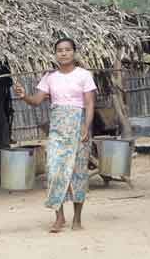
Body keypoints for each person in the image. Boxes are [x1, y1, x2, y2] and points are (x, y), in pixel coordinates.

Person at [15, 38, 97, 233]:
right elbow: (36, 101)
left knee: (78, 173)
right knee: (53, 170)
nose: (63, 53)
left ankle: (77, 219)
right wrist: (24, 95)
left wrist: (86, 125)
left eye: (68, 50)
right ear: (55, 54)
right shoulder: (49, 77)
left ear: (74, 53)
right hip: (58, 128)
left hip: (78, 126)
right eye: (59, 50)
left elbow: (90, 104)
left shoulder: (84, 75)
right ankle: (59, 218)